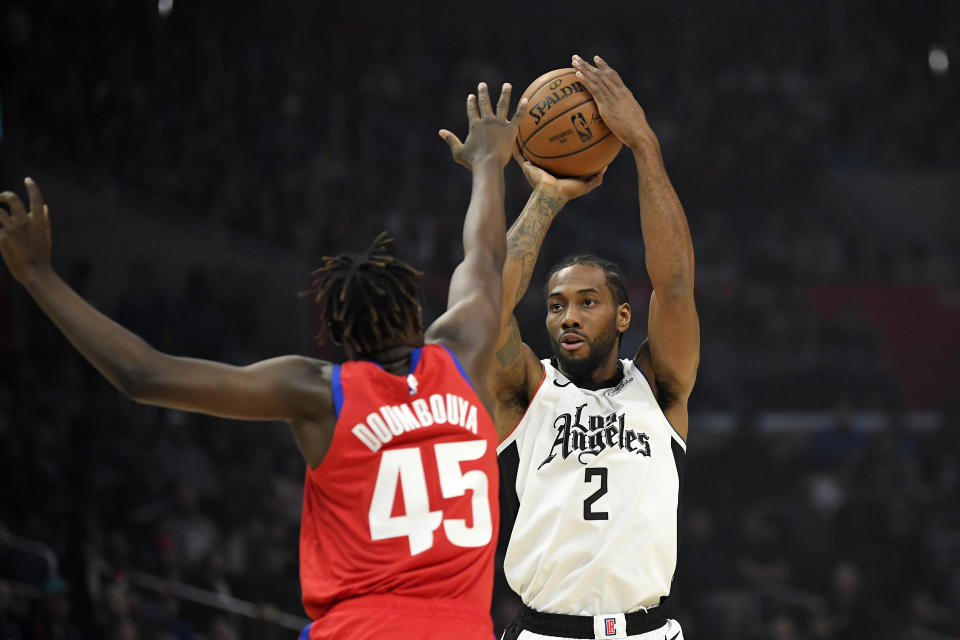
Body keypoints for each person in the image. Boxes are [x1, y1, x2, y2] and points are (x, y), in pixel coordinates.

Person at [0, 81, 526, 640]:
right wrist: (489, 159)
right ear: (418, 318)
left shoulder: (320, 389)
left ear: (342, 339)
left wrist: (37, 276)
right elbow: (485, 256)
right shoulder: (461, 355)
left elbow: (144, 373)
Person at [489, 55, 699, 640]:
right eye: (556, 305)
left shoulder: (658, 388)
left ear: (624, 315)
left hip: (649, 631)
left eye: (588, 302)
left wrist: (644, 147)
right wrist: (548, 198)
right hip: (545, 632)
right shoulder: (526, 393)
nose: (568, 317)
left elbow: (676, 287)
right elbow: (488, 307)